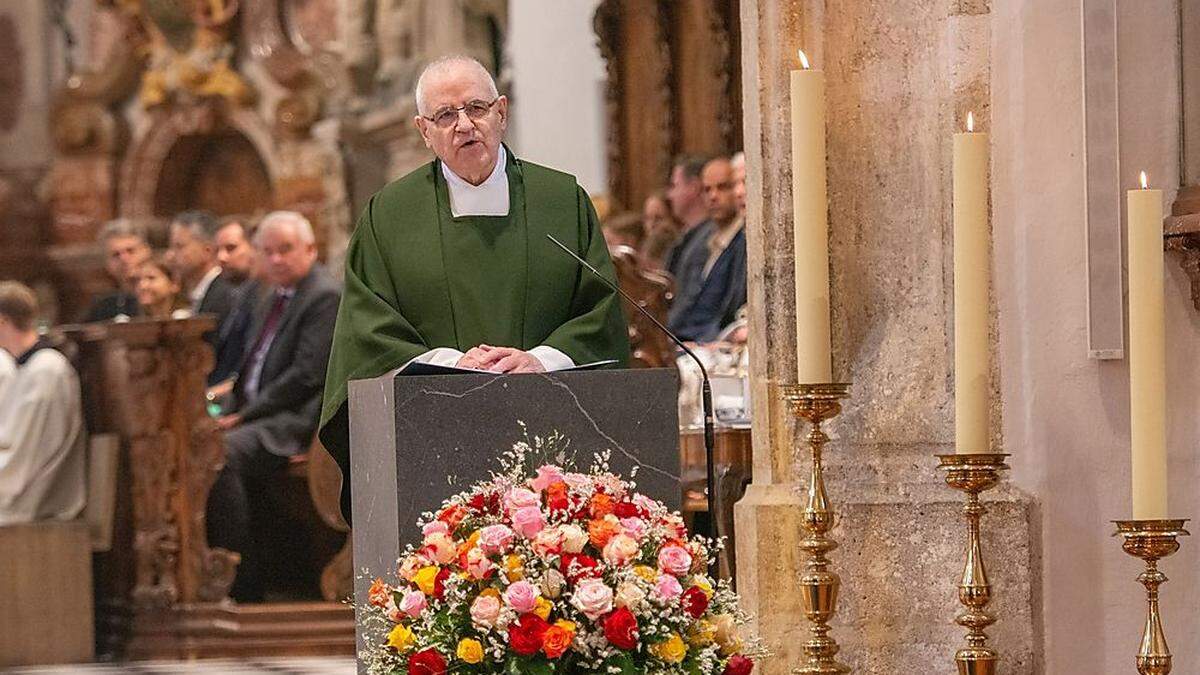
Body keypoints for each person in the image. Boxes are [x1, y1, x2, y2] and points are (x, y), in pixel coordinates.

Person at [319, 55, 630, 521]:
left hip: (553, 429)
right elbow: (367, 329)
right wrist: (453, 364)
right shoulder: (388, 216)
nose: (464, 125)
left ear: (501, 112)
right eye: (446, 116)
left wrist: (539, 359)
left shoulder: (561, 201)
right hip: (431, 432)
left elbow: (600, 310)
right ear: (424, 131)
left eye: (477, 108)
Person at [206, 211, 340, 601]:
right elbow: (251, 368)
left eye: (286, 250)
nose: (277, 260)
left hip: (296, 420)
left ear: (311, 249)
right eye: (269, 252)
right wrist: (226, 409)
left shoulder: (324, 295)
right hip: (260, 413)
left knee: (220, 453)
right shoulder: (269, 295)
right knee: (199, 443)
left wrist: (242, 417)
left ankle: (244, 581)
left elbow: (306, 375)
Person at [0, 282, 86, 526]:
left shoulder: (46, 370)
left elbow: (25, 454)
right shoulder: (28, 368)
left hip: (38, 497)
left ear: (3, 321)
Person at [665, 157, 747, 342]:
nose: (713, 196)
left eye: (723, 187)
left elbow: (726, 310)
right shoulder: (701, 240)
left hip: (714, 341)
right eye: (707, 189)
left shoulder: (743, 241)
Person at [210, 215, 263, 386]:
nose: (222, 257)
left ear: (254, 247)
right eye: (217, 250)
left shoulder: (264, 298)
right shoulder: (229, 295)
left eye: (231, 248)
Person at [166, 210, 235, 328]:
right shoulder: (196, 293)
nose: (170, 255)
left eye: (179, 246)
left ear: (207, 250)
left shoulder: (224, 296)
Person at [82, 218, 153, 323]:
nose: (124, 259)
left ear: (147, 251)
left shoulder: (167, 292)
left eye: (130, 251)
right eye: (116, 255)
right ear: (107, 264)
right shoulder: (103, 307)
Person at [662, 154, 711, 280]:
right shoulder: (689, 236)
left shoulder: (709, 238)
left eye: (674, 185)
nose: (669, 195)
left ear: (694, 187)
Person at [640, 191, 682, 270]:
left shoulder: (678, 253)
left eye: (658, 218)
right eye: (647, 218)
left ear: (673, 219)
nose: (651, 224)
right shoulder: (643, 250)